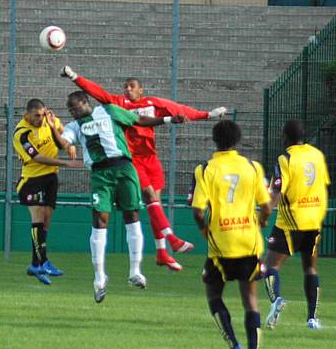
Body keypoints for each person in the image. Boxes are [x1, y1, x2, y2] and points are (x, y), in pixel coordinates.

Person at [60, 65, 227, 271]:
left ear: (141, 90)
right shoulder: (118, 104)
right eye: (125, 87)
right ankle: (171, 238)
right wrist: (74, 76)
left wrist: (207, 115)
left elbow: (178, 111)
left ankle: (161, 253)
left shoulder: (152, 103)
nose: (127, 90)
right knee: (149, 196)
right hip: (130, 159)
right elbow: (97, 92)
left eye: (131, 86)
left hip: (150, 157)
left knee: (154, 201)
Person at [49, 89, 186, 303]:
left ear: (85, 102)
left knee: (132, 216)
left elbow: (138, 120)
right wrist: (51, 128)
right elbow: (63, 144)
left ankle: (135, 272)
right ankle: (99, 277)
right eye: (70, 110)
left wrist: (168, 119)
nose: (72, 112)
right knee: (100, 220)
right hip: (100, 174)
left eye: (74, 108)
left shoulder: (109, 111)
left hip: (124, 168)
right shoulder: (74, 126)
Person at [190, 120, 271, 349]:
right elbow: (266, 205)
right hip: (248, 241)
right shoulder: (252, 167)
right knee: (250, 300)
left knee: (213, 294)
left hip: (221, 243)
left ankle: (235, 346)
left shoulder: (205, 169)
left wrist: (206, 231)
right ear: (238, 140)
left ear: (214, 140)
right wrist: (261, 222)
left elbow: (198, 211)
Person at [263, 120, 330, 331]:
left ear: (285, 136)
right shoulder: (317, 155)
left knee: (270, 266)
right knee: (310, 268)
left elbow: (277, 190)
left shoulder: (286, 158)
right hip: (314, 219)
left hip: (291, 220)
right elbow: (324, 185)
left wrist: (264, 214)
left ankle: (276, 300)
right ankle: (312, 318)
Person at [12, 99, 81, 285]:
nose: (40, 118)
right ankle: (39, 263)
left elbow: (63, 136)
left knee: (46, 222)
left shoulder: (50, 120)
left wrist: (68, 145)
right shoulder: (22, 133)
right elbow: (38, 158)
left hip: (51, 178)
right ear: (27, 115)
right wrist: (65, 162)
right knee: (38, 218)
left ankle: (40, 263)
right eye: (37, 116)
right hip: (32, 180)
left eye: (42, 114)